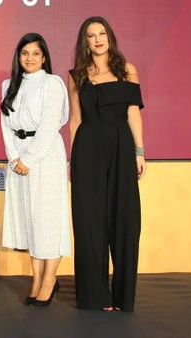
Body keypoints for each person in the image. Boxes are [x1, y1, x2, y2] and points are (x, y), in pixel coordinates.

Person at [67, 16, 147, 312]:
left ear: (110, 37)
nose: (98, 39)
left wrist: (139, 151)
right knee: (89, 222)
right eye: (91, 35)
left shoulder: (128, 71)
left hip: (121, 147)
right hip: (88, 148)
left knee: (125, 219)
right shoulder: (77, 75)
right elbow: (75, 120)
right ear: (85, 41)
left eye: (102, 33)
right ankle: (96, 296)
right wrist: (71, 160)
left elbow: (133, 114)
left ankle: (123, 296)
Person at [0, 32, 72, 307]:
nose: (30, 58)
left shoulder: (52, 83)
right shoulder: (8, 85)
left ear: (44, 57)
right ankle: (36, 279)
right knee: (30, 219)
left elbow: (50, 124)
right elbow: (6, 125)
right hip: (19, 161)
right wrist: (15, 157)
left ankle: (50, 280)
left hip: (44, 158)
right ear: (19, 56)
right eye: (25, 53)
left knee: (48, 219)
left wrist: (29, 158)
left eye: (36, 54)